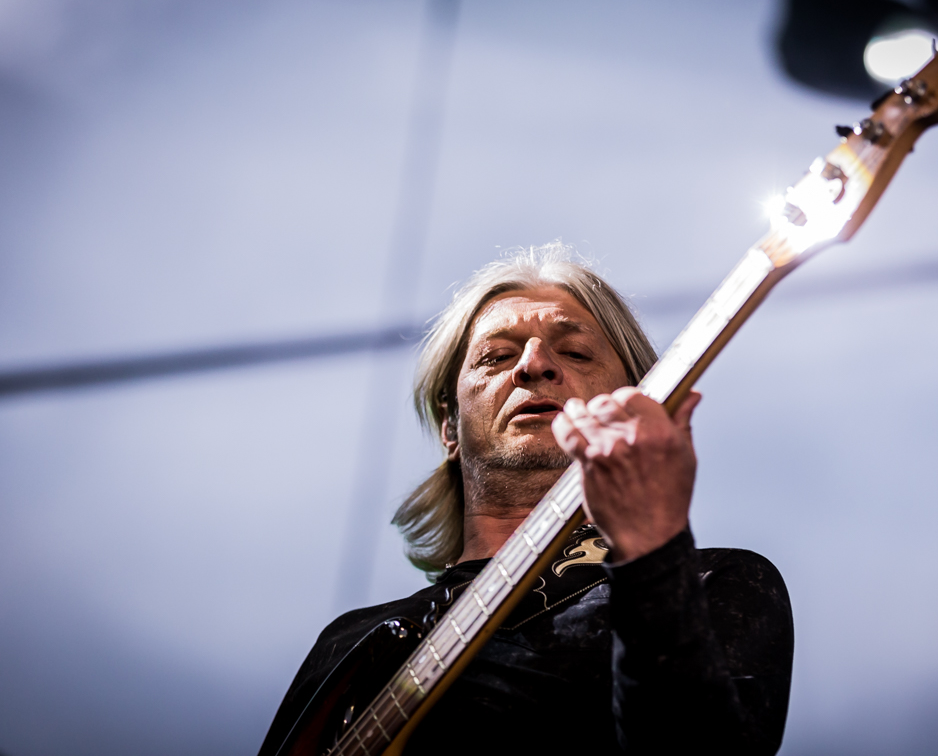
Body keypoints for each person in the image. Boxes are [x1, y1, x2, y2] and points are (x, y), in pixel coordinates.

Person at [258, 243, 793, 755]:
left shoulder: (715, 583)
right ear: (449, 426)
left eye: (576, 352)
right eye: (495, 357)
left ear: (630, 403)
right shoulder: (349, 642)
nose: (534, 365)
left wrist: (651, 555)